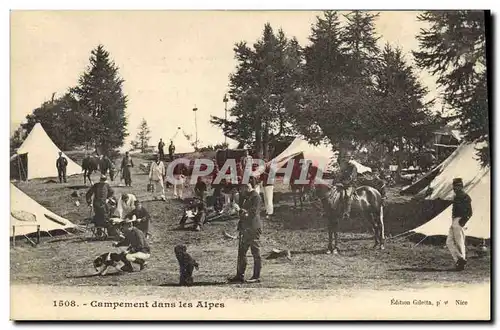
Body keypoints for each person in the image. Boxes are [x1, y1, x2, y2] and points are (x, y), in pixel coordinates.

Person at [228, 177, 262, 283]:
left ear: (250, 186)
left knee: (255, 253)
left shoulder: (256, 197)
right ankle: (240, 275)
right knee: (241, 252)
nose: (243, 189)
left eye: (245, 187)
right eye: (243, 187)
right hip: (245, 228)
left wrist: (240, 210)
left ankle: (256, 276)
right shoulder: (246, 197)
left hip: (253, 228)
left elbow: (252, 213)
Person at [447, 178, 473, 271]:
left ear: (461, 186)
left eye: (458, 186)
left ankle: (460, 264)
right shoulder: (456, 196)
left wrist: (463, 221)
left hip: (460, 221)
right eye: (454, 186)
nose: (455, 188)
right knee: (449, 242)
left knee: (459, 243)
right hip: (454, 221)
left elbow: (470, 212)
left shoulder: (465, 197)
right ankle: (461, 259)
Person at [337, 151, 358, 220]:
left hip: (350, 184)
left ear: (349, 158)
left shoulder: (353, 167)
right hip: (342, 184)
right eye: (345, 158)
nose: (346, 159)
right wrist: (337, 181)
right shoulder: (343, 166)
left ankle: (347, 213)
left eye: (347, 158)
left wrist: (344, 183)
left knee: (347, 195)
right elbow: (340, 175)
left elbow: (351, 177)